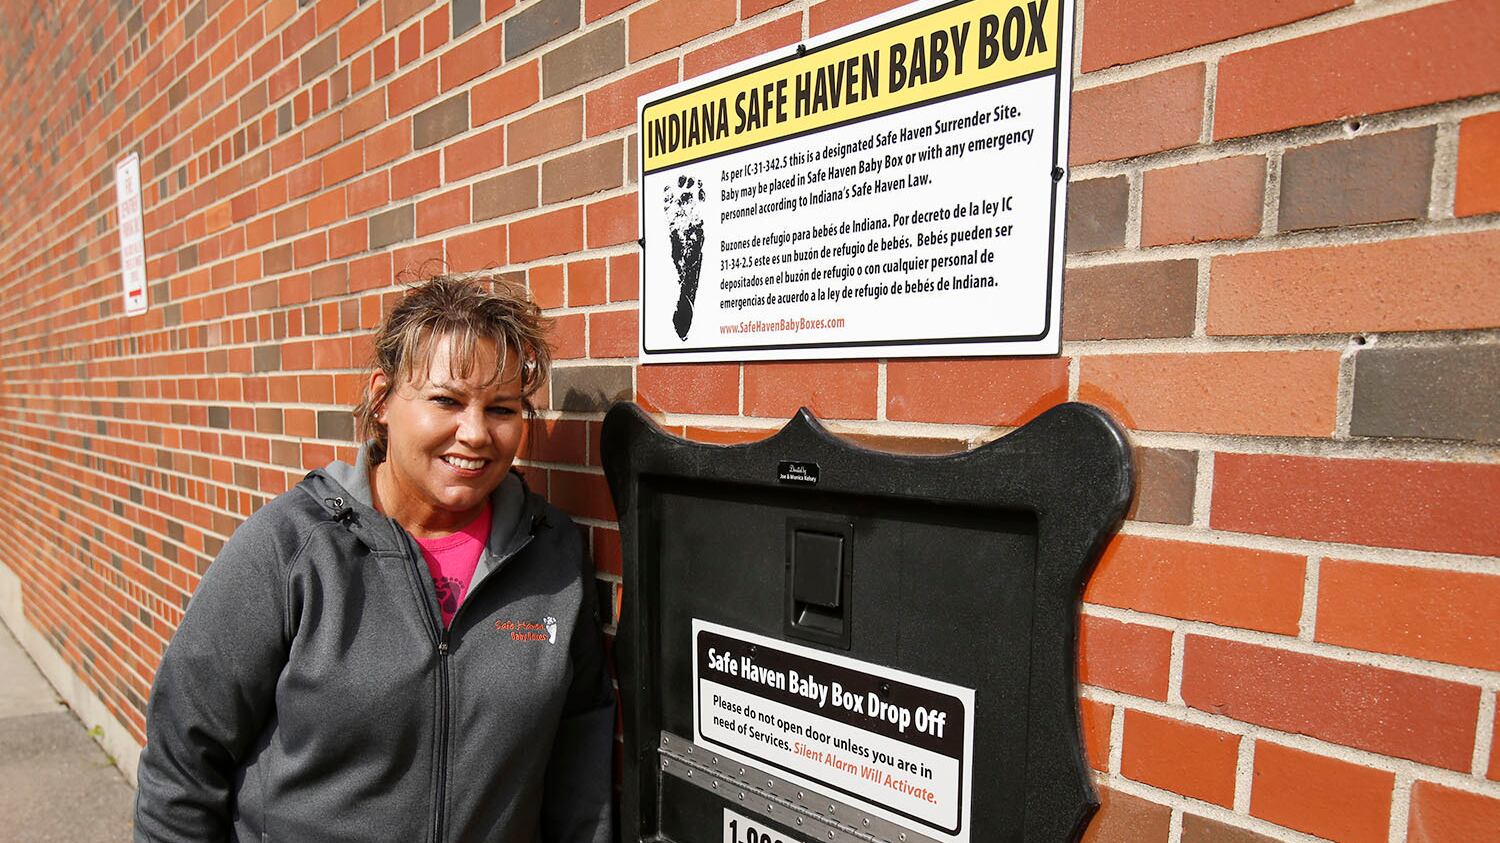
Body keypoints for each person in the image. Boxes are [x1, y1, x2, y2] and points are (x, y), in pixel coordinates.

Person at [134, 276, 615, 843]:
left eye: (502, 409)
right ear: (383, 398)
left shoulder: (550, 554)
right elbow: (181, 765)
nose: (475, 433)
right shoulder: (290, 548)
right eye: (446, 400)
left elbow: (580, 771)